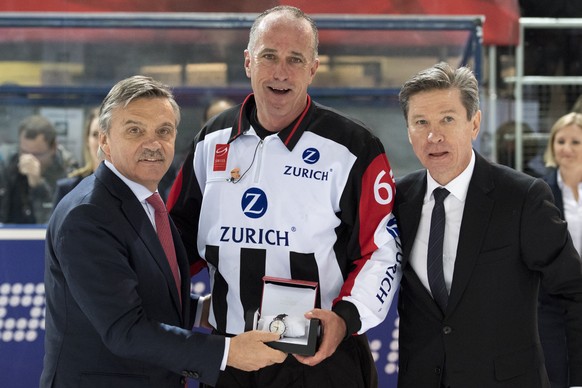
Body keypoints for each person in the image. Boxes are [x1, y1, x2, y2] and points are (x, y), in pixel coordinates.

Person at [168, 6, 402, 388]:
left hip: (316, 361)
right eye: (269, 56)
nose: (280, 72)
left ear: (313, 69)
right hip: (231, 358)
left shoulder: (353, 147)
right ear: (248, 62)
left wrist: (346, 317)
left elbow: (381, 250)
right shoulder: (212, 140)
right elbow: (176, 237)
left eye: (295, 59)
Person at [41, 75, 286, 388]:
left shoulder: (144, 200)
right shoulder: (88, 215)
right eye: (135, 130)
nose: (153, 144)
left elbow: (140, 294)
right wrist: (227, 352)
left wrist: (201, 310)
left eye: (164, 131)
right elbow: (125, 330)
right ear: (104, 141)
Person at [394, 62, 582, 387]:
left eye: (447, 120)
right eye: (420, 122)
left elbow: (574, 291)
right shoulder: (397, 200)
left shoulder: (522, 197)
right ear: (408, 131)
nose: (433, 135)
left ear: (475, 123)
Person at [538, 112, 582, 388]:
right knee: (556, 372)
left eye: (575, 142)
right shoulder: (539, 190)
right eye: (560, 141)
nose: (566, 149)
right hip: (553, 299)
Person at [0, 115, 78, 224]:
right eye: (24, 152)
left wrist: (38, 186)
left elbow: (54, 223)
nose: (28, 160)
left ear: (53, 148)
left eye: (36, 154)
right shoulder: (8, 163)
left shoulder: (68, 170)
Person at [53, 107, 101, 206]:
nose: (101, 141)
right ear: (87, 140)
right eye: (95, 135)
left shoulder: (132, 187)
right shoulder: (68, 189)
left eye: (107, 135)